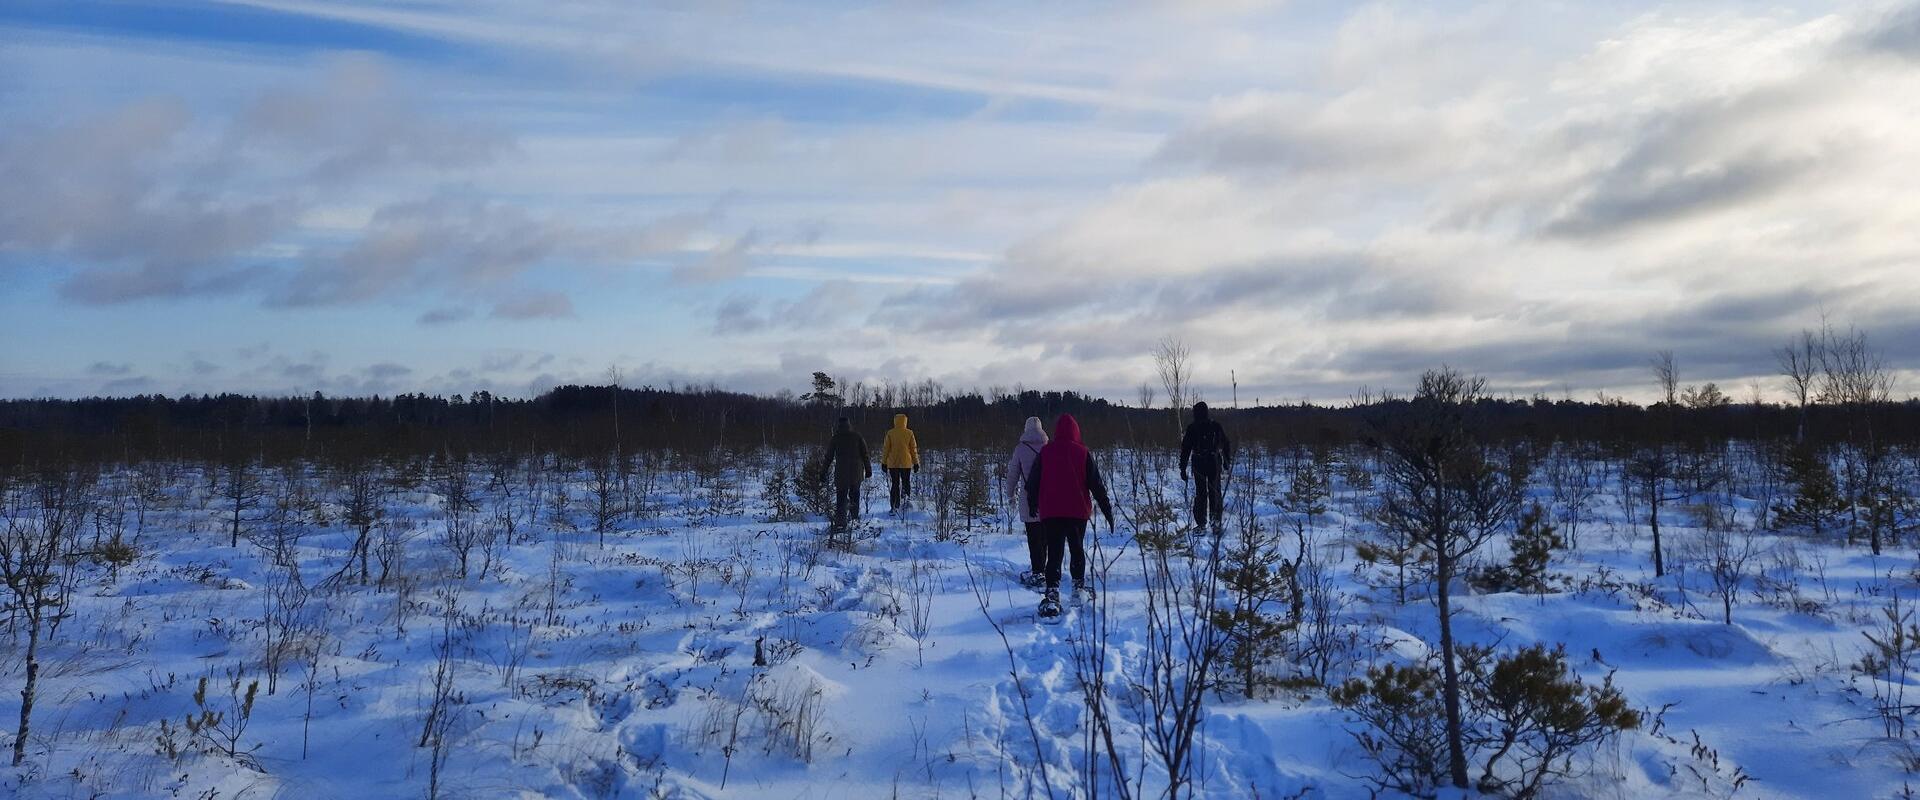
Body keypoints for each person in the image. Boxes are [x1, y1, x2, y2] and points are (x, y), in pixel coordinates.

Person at [1024, 413, 1115, 618]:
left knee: (1054, 552)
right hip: (1077, 511)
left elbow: (1032, 482)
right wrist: (1107, 510)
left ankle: (1052, 592)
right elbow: (1097, 485)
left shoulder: (1046, 452)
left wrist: (1033, 504)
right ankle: (1077, 589)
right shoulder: (1083, 453)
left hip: (1052, 512)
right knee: (1076, 548)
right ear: (1076, 431)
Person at [1004, 416, 1048, 590]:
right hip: (1048, 498)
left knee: (1033, 536)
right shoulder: (1048, 447)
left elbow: (1013, 473)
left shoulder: (1021, 449)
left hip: (1028, 498)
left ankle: (1037, 571)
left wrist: (1009, 494)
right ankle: (1043, 568)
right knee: (1045, 536)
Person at [1180, 401, 1232, 531]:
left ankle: (1206, 523)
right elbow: (1226, 443)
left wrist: (1183, 467)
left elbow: (1185, 449)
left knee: (1203, 493)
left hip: (1204, 462)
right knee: (1212, 492)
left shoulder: (1195, 427)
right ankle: (1212, 523)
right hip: (1209, 462)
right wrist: (1226, 461)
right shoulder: (1212, 426)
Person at [818, 417, 872, 531]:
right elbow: (865, 454)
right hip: (856, 472)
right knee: (855, 496)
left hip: (841, 473)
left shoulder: (836, 438)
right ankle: (854, 520)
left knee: (841, 498)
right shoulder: (857, 436)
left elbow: (828, 457)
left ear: (839, 425)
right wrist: (868, 469)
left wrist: (823, 472)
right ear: (849, 424)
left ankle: (841, 522)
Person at [881, 413, 921, 513]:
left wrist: (884, 462)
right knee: (906, 482)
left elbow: (886, 449)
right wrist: (916, 462)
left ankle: (894, 506)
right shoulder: (909, 433)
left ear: (895, 421)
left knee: (895, 484)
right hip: (906, 463)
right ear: (905, 421)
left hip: (893, 463)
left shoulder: (890, 433)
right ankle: (905, 504)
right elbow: (913, 449)